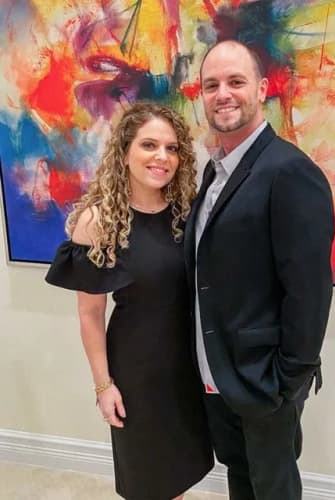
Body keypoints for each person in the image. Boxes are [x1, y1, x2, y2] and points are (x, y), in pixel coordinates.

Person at [44, 102, 213, 499]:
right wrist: (104, 387)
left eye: (172, 148)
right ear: (124, 151)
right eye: (149, 145)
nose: (162, 157)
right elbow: (89, 314)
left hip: (186, 368)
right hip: (137, 373)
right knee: (149, 481)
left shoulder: (185, 212)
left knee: (178, 475)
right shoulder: (97, 221)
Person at [189, 39, 335, 500]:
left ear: (262, 89)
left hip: (264, 379)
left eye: (236, 82)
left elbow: (309, 291)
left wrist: (287, 381)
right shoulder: (215, 172)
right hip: (219, 372)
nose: (223, 94)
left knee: (273, 489)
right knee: (240, 480)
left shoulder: (289, 171)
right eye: (211, 85)